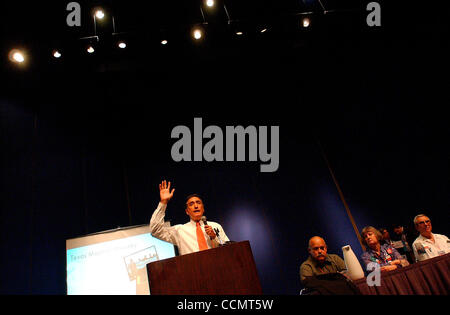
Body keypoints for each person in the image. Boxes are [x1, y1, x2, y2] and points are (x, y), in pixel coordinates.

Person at [149, 180, 229, 256]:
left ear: (203, 208)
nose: (196, 206)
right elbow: (155, 231)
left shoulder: (215, 226)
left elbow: (228, 249)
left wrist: (214, 237)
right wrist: (163, 202)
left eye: (198, 203)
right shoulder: (180, 230)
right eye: (191, 204)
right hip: (192, 269)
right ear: (187, 211)